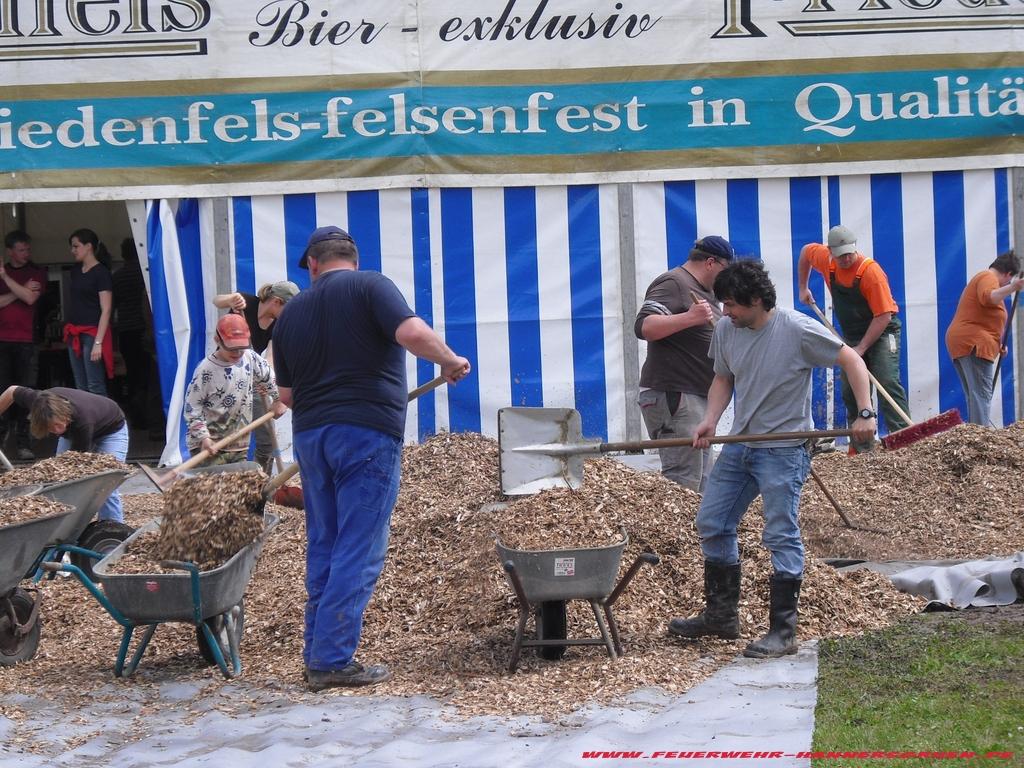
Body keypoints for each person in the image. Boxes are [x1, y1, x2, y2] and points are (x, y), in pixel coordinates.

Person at [273, 225, 470, 691]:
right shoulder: (371, 286)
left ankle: (317, 653)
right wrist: (448, 360)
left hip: (311, 438)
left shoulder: (290, 314)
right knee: (359, 546)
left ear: (313, 265)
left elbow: (287, 395)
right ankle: (331, 660)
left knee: (325, 541)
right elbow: (411, 331)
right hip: (365, 432)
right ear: (353, 259)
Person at [668, 260, 875, 659]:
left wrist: (864, 413)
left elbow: (853, 361)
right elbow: (723, 378)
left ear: (758, 300)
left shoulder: (797, 330)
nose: (724, 313)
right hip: (741, 444)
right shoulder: (728, 329)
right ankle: (721, 616)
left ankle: (783, 631)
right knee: (712, 521)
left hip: (783, 449)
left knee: (780, 533)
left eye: (731, 305)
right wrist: (710, 420)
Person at [797, 225, 910, 453]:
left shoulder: (870, 273)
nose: (846, 259)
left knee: (886, 379)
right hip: (852, 334)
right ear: (830, 252)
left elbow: (883, 316)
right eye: (841, 256)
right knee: (851, 390)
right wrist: (803, 287)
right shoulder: (825, 260)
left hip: (882, 331)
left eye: (849, 253)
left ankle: (903, 441)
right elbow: (805, 252)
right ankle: (861, 448)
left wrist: (861, 348)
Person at [635, 235, 733, 492]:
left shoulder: (707, 292)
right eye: (726, 269)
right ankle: (678, 531)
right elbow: (645, 326)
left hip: (696, 397)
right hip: (675, 394)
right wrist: (690, 318)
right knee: (683, 482)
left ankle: (697, 531)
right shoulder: (674, 283)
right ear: (711, 263)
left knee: (701, 481)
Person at [0, 385, 129, 522]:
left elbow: (77, 465)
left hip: (112, 430)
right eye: (50, 427)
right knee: (59, 483)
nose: (55, 430)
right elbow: (11, 391)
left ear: (64, 415)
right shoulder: (37, 402)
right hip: (73, 430)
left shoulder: (83, 422)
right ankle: (62, 529)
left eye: (57, 425)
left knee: (106, 484)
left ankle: (112, 529)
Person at [211, 281, 300, 471]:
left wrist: (267, 380)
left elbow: (270, 358)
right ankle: (228, 482)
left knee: (267, 439)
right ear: (276, 302)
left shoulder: (278, 324)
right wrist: (231, 299)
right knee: (230, 439)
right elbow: (217, 301)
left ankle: (260, 486)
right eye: (288, 307)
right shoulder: (247, 303)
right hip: (225, 378)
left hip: (251, 379)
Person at [183, 313, 287, 467]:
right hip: (209, 446)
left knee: (236, 485)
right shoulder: (206, 370)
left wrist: (279, 399)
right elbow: (192, 409)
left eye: (241, 348)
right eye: (232, 348)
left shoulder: (250, 358)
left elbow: (268, 377)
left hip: (239, 442)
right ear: (218, 340)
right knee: (213, 487)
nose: (237, 353)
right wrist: (203, 437)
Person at [945, 251, 1024, 426]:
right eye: (1009, 281)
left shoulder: (984, 279)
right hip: (974, 343)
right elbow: (989, 298)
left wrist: (998, 344)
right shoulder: (988, 278)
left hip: (967, 342)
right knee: (981, 396)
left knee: (975, 396)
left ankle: (976, 433)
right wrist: (1013, 287)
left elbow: (987, 315)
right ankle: (981, 437)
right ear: (1008, 274)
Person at [0, 230, 46, 460]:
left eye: (27, 249)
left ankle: (23, 444)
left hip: (27, 341)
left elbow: (30, 298)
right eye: (21, 250)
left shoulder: (36, 271)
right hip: (2, 341)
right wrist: (20, 290)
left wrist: (7, 281)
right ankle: (1, 443)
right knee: (2, 393)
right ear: (9, 251)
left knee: (26, 394)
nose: (25, 254)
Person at [64, 228, 113, 397]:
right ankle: (85, 422)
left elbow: (106, 309)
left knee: (94, 383)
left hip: (92, 333)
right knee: (80, 384)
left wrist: (98, 342)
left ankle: (104, 422)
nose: (73, 251)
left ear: (89, 246)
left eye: (76, 246)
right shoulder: (75, 271)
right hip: (74, 332)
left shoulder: (101, 273)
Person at [111, 238, 153, 426]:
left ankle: (136, 417)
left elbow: (113, 306)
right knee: (148, 374)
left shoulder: (117, 276)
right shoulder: (145, 275)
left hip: (125, 331)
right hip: (144, 330)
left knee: (132, 374)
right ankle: (149, 416)